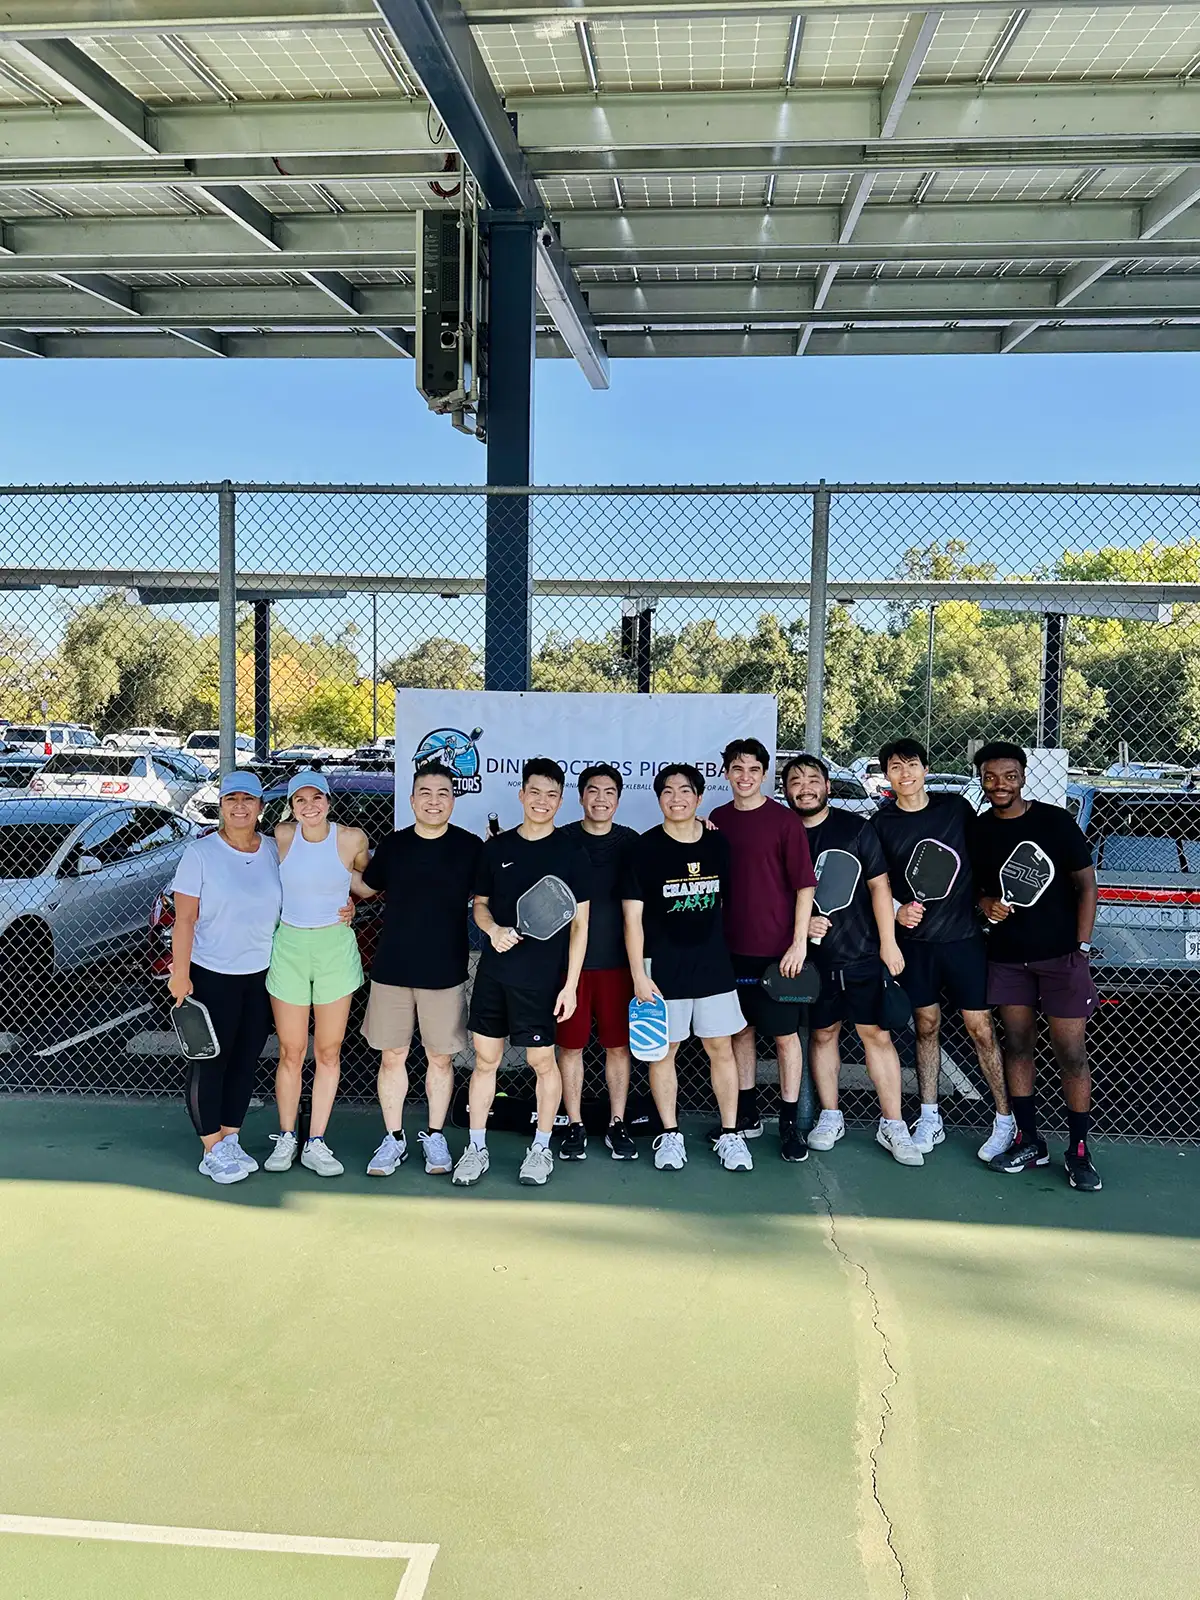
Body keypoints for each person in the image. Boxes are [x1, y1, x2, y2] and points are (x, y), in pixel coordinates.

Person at [870, 737, 1015, 1161]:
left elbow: (985, 859)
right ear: (887, 776)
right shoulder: (881, 824)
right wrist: (898, 911)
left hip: (964, 941)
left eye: (912, 764)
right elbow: (876, 884)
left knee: (981, 1029)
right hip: (916, 947)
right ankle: (930, 1116)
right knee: (926, 1026)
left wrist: (988, 900)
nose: (905, 773)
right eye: (895, 767)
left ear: (926, 768)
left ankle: (1005, 1119)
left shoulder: (955, 809)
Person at [453, 757, 592, 1188]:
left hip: (542, 982)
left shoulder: (571, 851)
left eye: (552, 795)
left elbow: (580, 924)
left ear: (560, 799)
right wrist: (493, 930)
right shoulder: (496, 849)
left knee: (541, 1062)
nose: (542, 801)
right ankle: (475, 1148)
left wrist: (570, 985)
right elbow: (479, 905)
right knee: (486, 1061)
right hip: (495, 975)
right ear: (521, 794)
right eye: (535, 792)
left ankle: (540, 1148)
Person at [970, 742, 1102, 1191]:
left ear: (1023, 777)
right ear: (981, 780)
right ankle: (1030, 1140)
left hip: (1061, 959)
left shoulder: (1054, 821)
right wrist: (985, 902)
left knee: (1070, 1054)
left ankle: (1079, 1150)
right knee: (1019, 1046)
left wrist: (1081, 948)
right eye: (991, 776)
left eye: (1009, 775)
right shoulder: (980, 829)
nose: (1000, 784)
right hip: (1008, 960)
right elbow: (975, 890)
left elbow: (1087, 884)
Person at [782, 756, 923, 1166]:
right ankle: (830, 1116)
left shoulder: (856, 828)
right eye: (795, 781)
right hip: (811, 961)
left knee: (876, 1036)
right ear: (786, 788)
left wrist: (888, 943)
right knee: (823, 1035)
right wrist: (802, 925)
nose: (805, 787)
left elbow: (880, 888)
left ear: (827, 784)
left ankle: (892, 1123)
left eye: (813, 779)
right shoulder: (782, 832)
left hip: (861, 954)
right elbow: (773, 894)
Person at [351, 761, 482, 1178]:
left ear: (453, 800)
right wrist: (321, 856)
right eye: (425, 793)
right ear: (411, 800)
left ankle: (435, 1134)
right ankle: (393, 1139)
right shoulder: (393, 845)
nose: (433, 801)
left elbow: (488, 899)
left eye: (442, 793)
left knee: (440, 1059)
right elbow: (365, 886)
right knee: (392, 1057)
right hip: (392, 970)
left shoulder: (471, 847)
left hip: (444, 973)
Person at [623, 763, 751, 1174]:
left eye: (685, 791)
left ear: (698, 798)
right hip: (663, 972)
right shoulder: (643, 850)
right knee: (665, 1053)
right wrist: (640, 975)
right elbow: (632, 921)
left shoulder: (719, 845)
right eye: (667, 792)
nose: (676, 799)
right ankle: (670, 1134)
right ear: (659, 799)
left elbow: (730, 904)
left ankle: (731, 1136)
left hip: (712, 966)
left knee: (721, 1049)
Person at [169, 771, 282, 1184]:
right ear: (220, 807)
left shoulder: (273, 849)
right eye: (231, 799)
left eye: (248, 800)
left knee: (246, 1058)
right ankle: (212, 1148)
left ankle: (231, 1137)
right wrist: (180, 975)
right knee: (209, 1062)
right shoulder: (200, 854)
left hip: (262, 976)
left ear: (261, 808)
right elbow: (184, 920)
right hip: (211, 974)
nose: (240, 806)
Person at [710, 736, 816, 1161]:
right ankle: (747, 1114)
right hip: (728, 949)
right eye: (737, 769)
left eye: (754, 769)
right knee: (740, 1030)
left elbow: (805, 885)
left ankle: (790, 1124)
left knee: (786, 1036)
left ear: (764, 774)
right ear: (726, 773)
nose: (745, 776)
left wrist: (798, 944)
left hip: (778, 952)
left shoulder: (785, 822)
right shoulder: (716, 819)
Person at [263, 770, 367, 1179]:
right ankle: (287, 1136)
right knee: (291, 1051)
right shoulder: (282, 836)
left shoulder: (352, 838)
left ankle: (316, 1142)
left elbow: (365, 881)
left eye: (316, 798)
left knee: (328, 1051)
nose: (309, 807)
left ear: (328, 800)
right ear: (291, 805)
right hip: (288, 947)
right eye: (300, 800)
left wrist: (353, 903)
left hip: (334, 949)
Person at [555, 764, 639, 1161]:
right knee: (570, 1048)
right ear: (581, 796)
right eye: (593, 791)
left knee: (617, 1047)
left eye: (608, 792)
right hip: (569, 968)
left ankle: (616, 1123)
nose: (600, 798)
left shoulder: (632, 843)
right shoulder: (562, 840)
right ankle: (574, 1124)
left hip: (618, 966)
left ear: (618, 799)